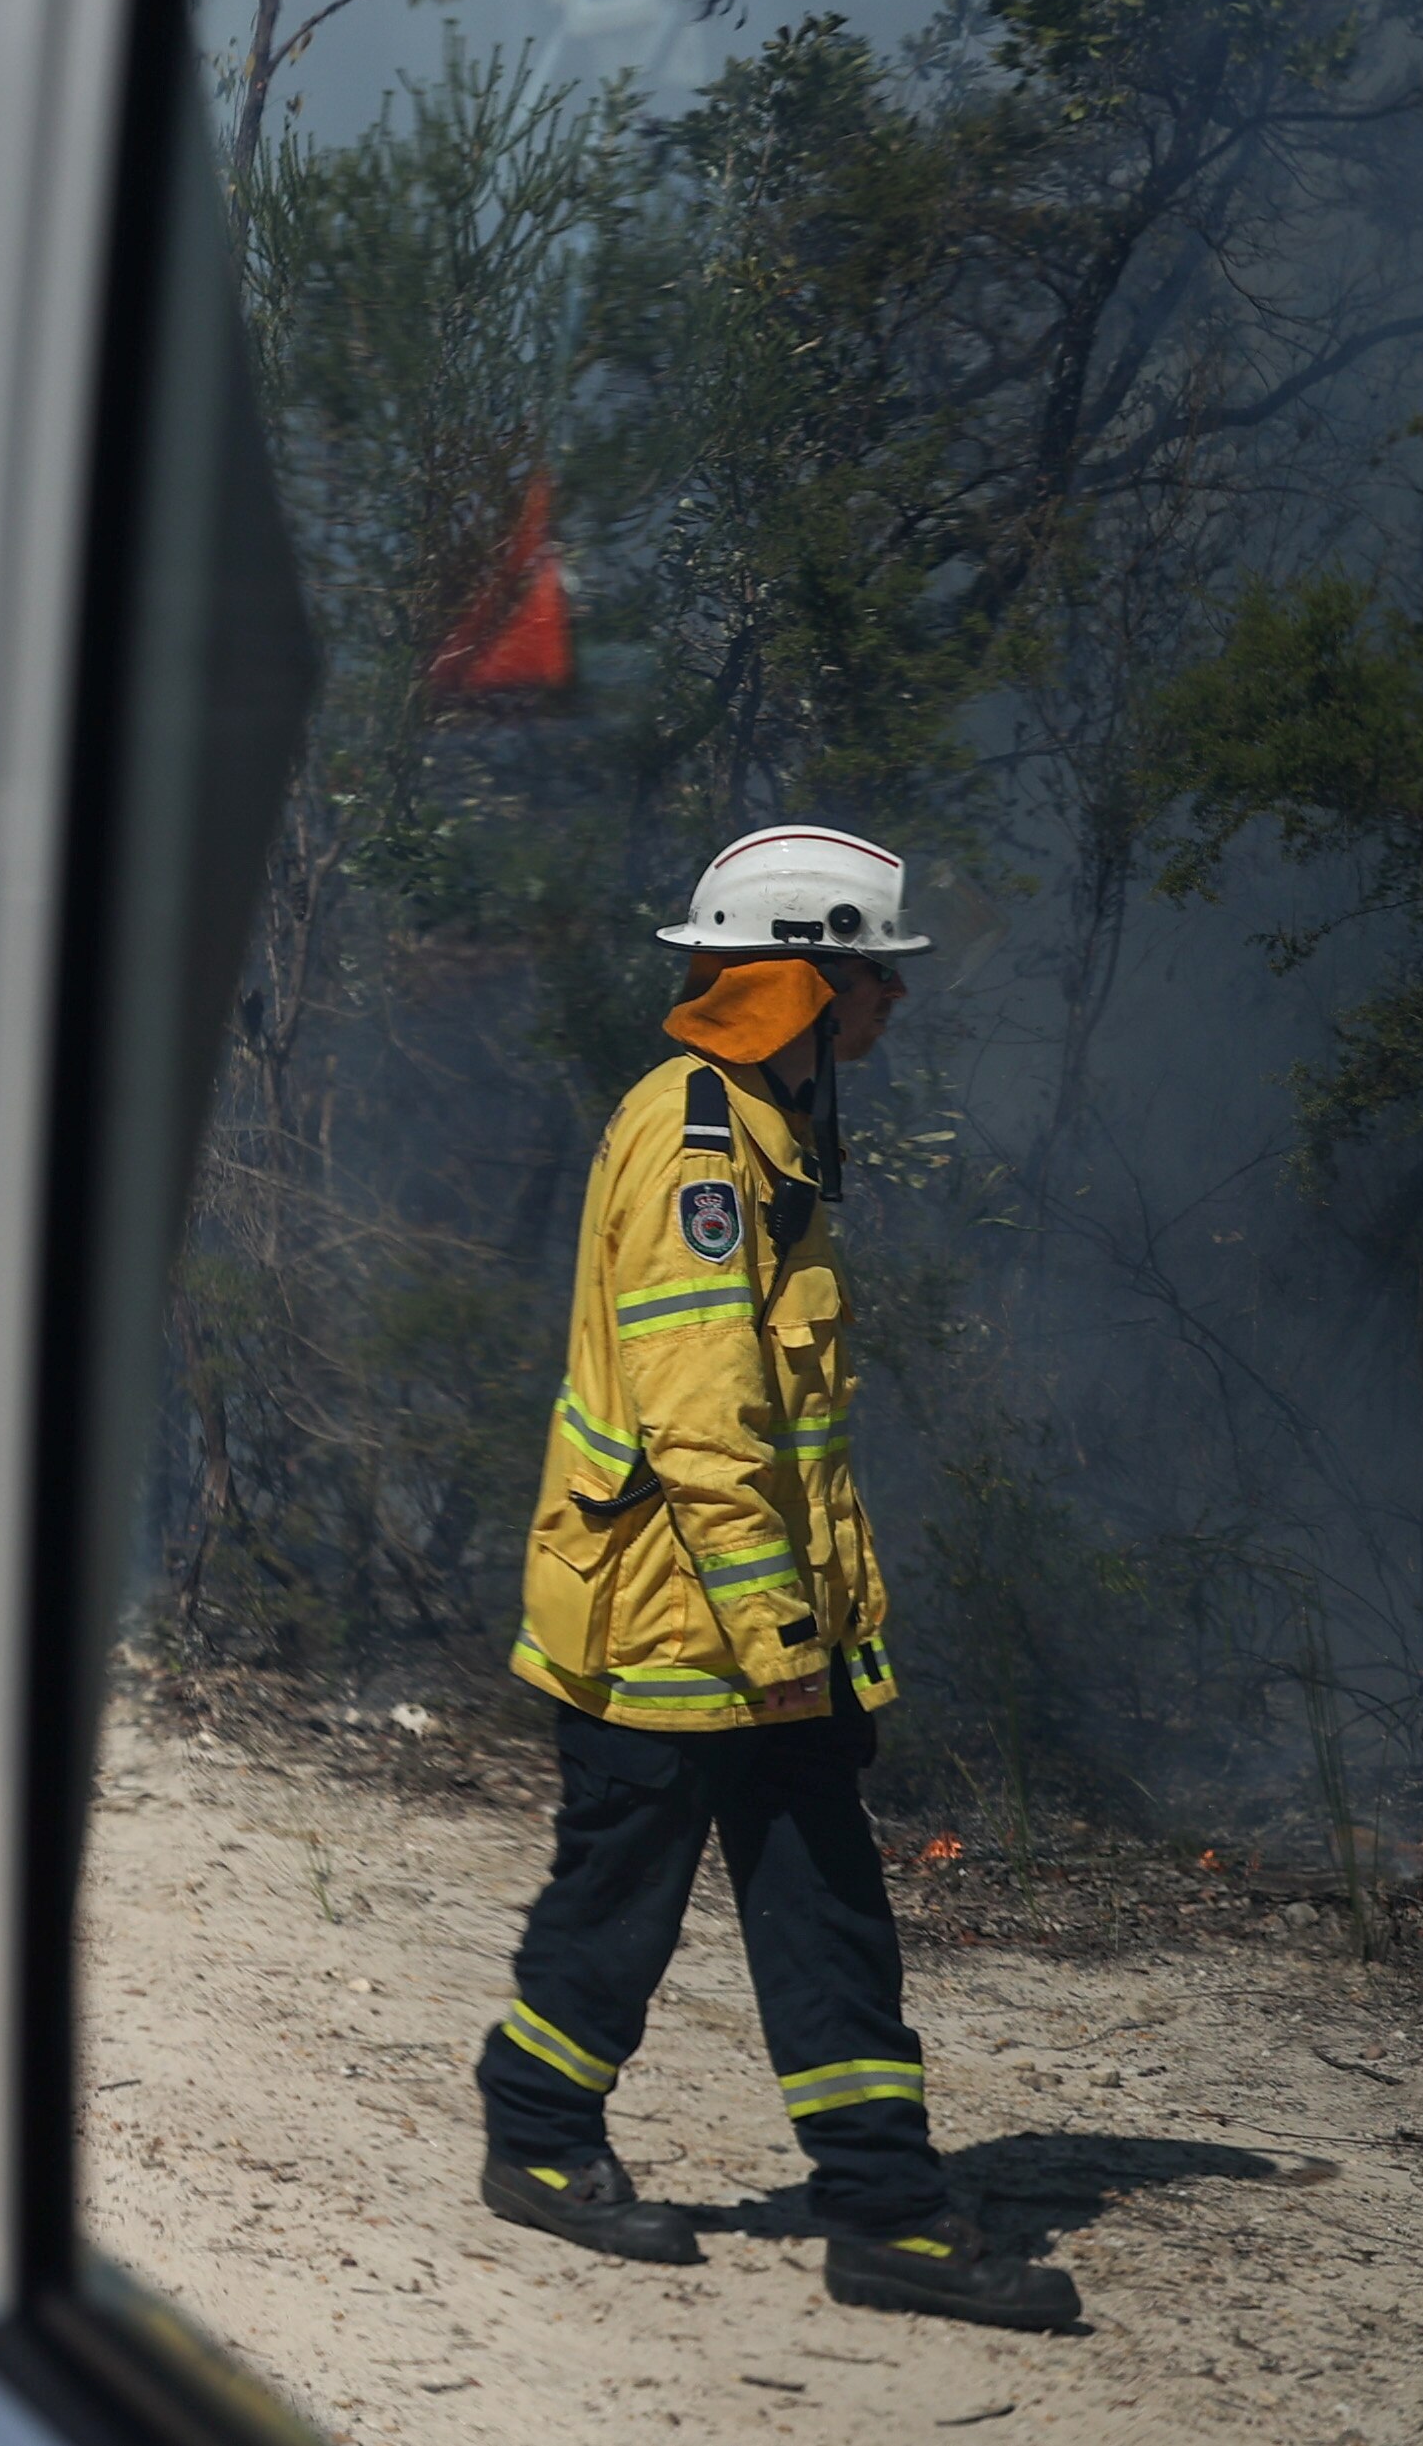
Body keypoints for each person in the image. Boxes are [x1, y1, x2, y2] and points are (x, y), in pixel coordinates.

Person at [471, 825, 1080, 2331]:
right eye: (876, 973)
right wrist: (778, 1630)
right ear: (804, 978)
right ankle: (538, 2140)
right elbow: (701, 1417)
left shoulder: (762, 1122)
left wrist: (806, 1634)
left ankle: (884, 2207)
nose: (893, 1002)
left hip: (764, 1633)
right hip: (682, 1631)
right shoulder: (695, 1140)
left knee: (828, 1911)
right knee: (620, 1898)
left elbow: (791, 1431)